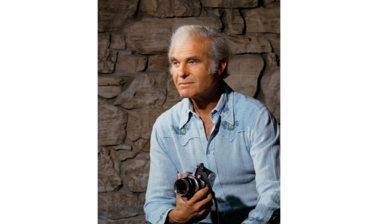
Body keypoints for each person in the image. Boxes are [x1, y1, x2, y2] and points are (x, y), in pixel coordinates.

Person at [144, 25, 282, 224]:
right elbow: (156, 202)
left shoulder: (255, 117)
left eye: (192, 61)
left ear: (219, 66)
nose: (181, 72)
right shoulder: (165, 126)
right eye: (175, 62)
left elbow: (274, 194)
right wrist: (176, 217)